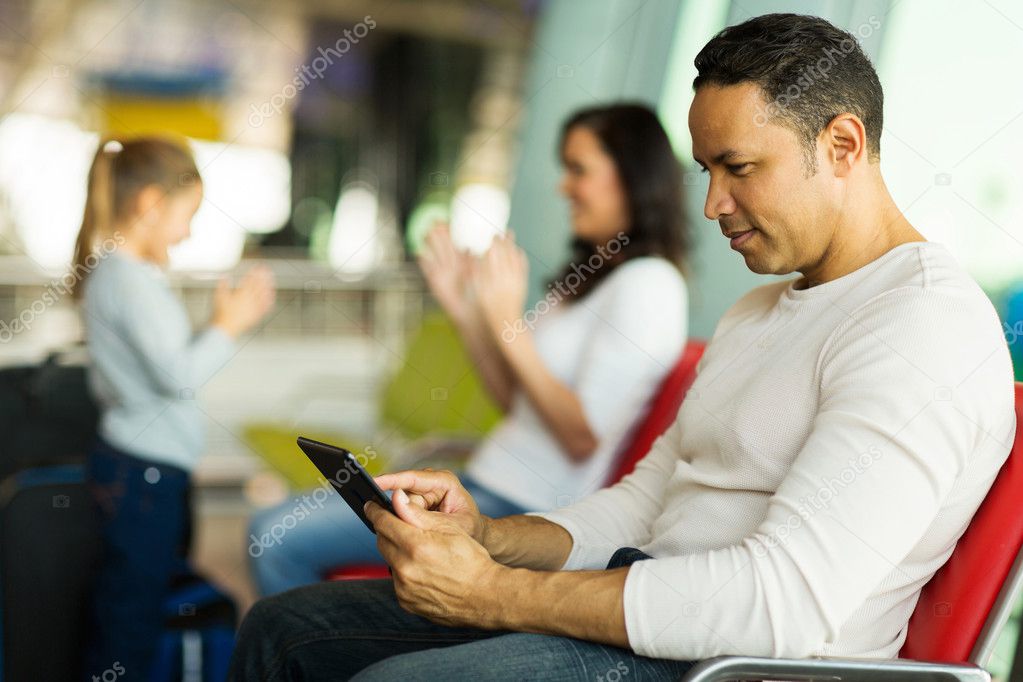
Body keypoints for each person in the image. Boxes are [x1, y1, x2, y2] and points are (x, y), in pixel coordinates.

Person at [231, 13, 1015, 681]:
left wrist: (492, 592)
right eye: (706, 170)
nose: (713, 204)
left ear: (842, 145)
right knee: (285, 630)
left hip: (731, 662)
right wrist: (487, 539)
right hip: (649, 607)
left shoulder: (922, 327)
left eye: (739, 169)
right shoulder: (757, 310)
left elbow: (779, 605)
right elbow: (646, 503)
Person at [246, 103, 690, 596]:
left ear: (630, 174)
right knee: (281, 526)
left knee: (272, 537)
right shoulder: (587, 285)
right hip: (480, 483)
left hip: (523, 509)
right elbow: (513, 402)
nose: (564, 186)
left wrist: (506, 323)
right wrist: (465, 310)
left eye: (578, 169)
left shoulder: (650, 285)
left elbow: (581, 436)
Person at [75, 136, 276, 681]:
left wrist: (218, 324)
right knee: (130, 623)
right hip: (144, 476)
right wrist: (230, 324)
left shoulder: (122, 276)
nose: (187, 232)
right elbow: (179, 377)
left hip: (141, 470)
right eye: (186, 216)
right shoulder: (129, 280)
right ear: (148, 205)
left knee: (134, 607)